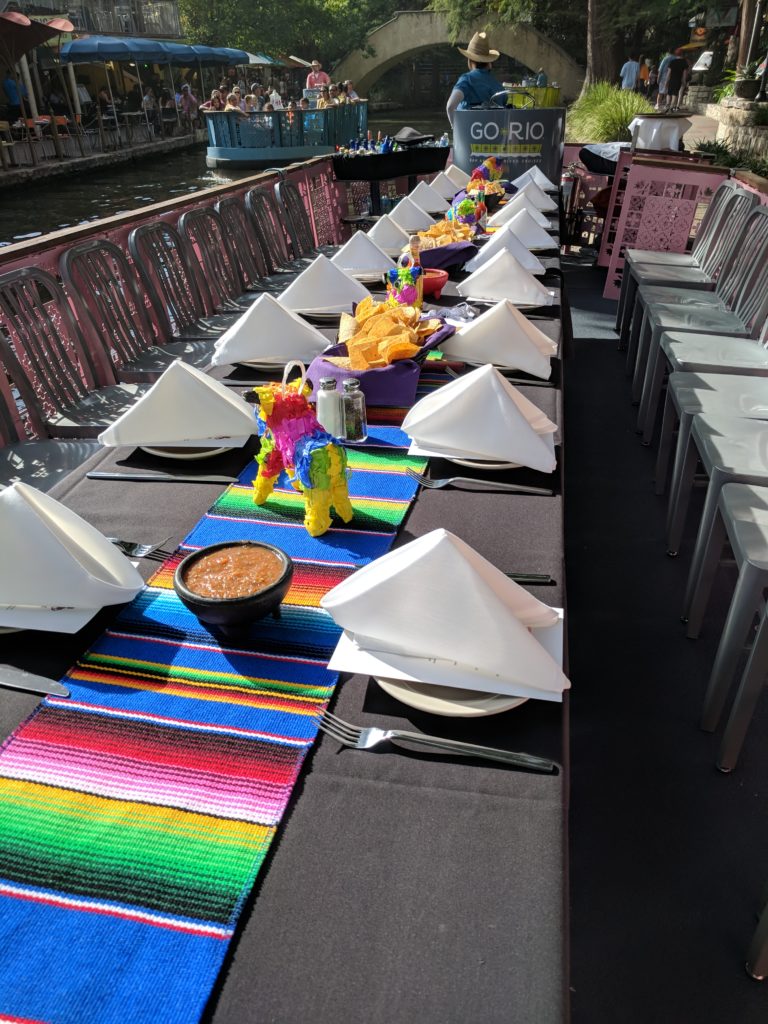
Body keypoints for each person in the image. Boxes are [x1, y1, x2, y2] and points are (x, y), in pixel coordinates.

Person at [445, 31, 503, 127]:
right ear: (488, 62)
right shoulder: (498, 86)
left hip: (470, 134)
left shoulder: (467, 80)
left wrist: (455, 128)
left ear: (470, 60)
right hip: (494, 134)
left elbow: (450, 106)